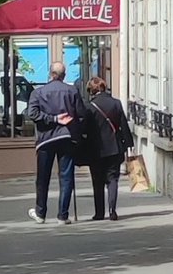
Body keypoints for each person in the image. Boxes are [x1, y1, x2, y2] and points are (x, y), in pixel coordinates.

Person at [27, 61, 87, 226]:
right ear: (64, 75)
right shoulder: (72, 91)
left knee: (43, 177)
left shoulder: (38, 93)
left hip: (45, 139)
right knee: (66, 177)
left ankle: (40, 213)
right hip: (66, 137)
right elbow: (81, 115)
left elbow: (32, 113)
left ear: (50, 74)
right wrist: (76, 131)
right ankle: (63, 215)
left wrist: (51, 119)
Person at [85, 76, 134, 221]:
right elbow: (123, 126)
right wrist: (128, 145)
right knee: (113, 179)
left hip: (96, 150)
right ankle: (112, 210)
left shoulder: (89, 107)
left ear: (91, 90)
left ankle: (99, 213)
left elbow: (85, 129)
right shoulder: (116, 103)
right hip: (114, 148)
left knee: (97, 181)